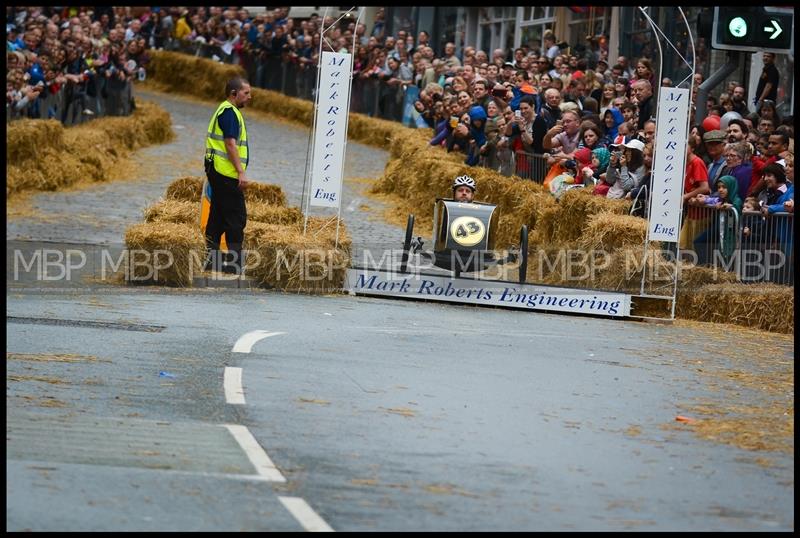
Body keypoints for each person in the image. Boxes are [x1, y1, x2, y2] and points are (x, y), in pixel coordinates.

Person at [203, 76, 252, 274]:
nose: (250, 97)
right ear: (234, 94)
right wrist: (241, 171)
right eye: (246, 93)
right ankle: (234, 264)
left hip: (219, 170)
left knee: (218, 215)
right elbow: (230, 144)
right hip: (225, 172)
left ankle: (210, 260)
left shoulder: (227, 110)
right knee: (236, 217)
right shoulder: (229, 112)